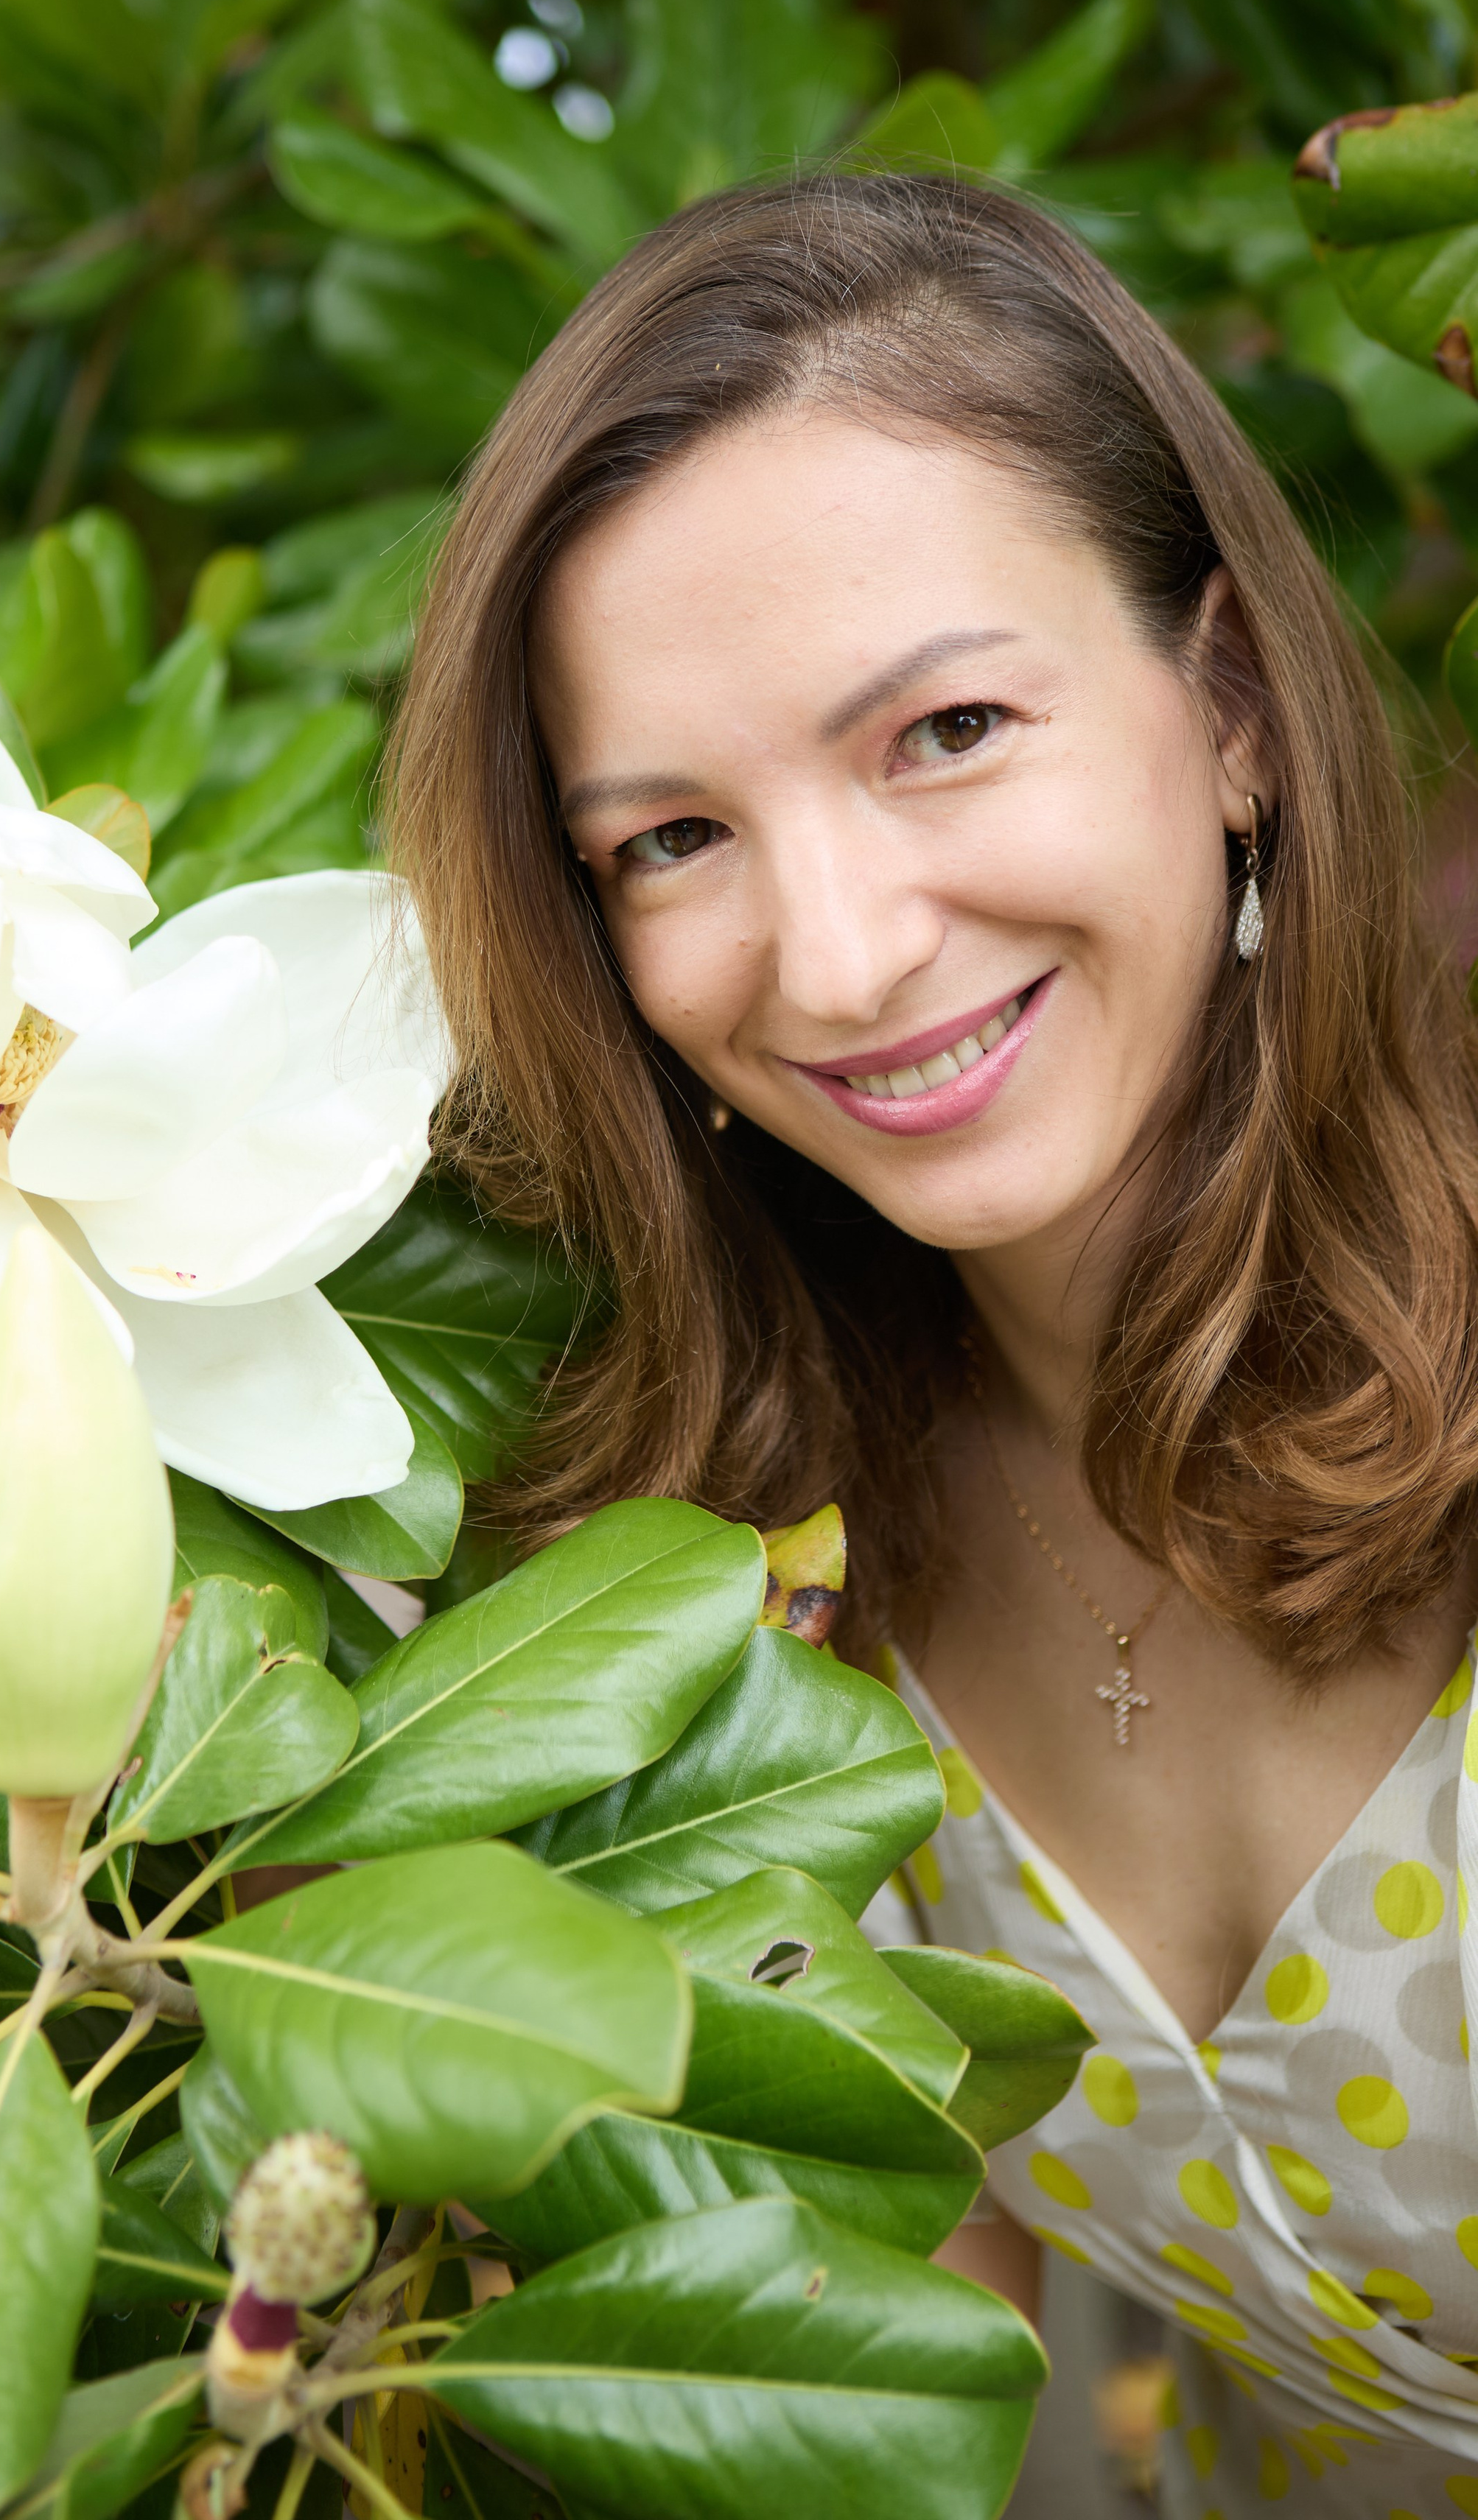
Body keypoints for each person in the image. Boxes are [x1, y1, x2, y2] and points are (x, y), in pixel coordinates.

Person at [388, 171, 1478, 2511]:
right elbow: (902, 2345)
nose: (845, 951)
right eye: (671, 840)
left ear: (1238, 717)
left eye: (949, 728)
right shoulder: (757, 1575)